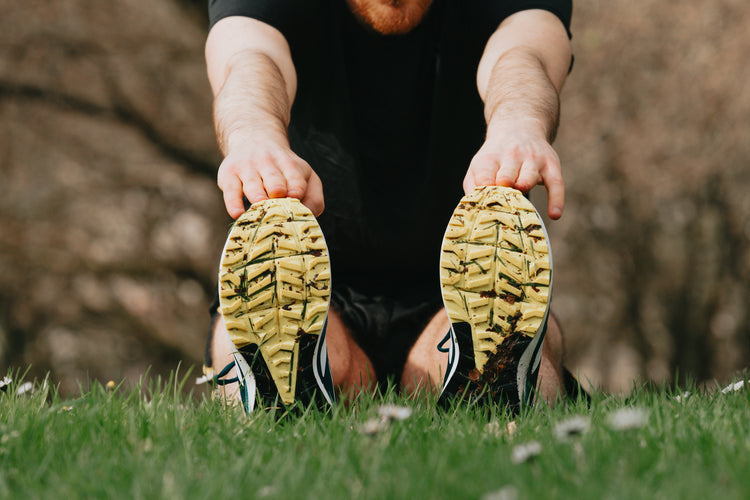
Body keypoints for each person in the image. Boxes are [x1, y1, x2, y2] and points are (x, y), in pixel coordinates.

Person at [203, 0, 577, 412]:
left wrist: (518, 124)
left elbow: (527, 50)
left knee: (525, 356)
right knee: (240, 346)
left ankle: (502, 390)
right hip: (311, 284)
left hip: (469, 282)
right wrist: (254, 135)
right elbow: (249, 55)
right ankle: (282, 396)